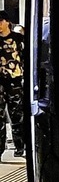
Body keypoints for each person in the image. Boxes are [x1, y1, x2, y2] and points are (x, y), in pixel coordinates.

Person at [0, 11, 25, 158]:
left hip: (14, 81)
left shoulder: (18, 39)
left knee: (17, 115)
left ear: (7, 22)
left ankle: (20, 146)